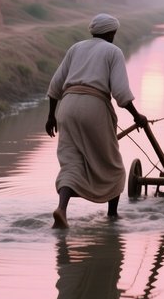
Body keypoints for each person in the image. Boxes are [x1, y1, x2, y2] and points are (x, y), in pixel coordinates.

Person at [45, 13, 147, 228]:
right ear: (111, 33)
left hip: (67, 106)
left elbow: (55, 85)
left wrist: (50, 116)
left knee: (71, 162)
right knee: (112, 165)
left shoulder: (76, 48)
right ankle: (112, 217)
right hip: (94, 107)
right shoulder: (113, 51)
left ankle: (62, 209)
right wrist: (136, 116)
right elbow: (120, 92)